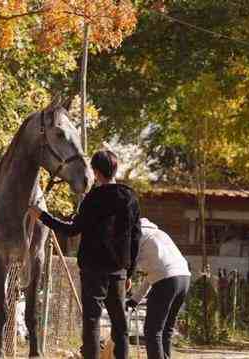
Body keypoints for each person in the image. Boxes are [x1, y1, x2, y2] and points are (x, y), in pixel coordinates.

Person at [28, 150, 141, 359]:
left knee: (92, 322)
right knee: (120, 325)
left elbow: (72, 230)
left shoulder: (92, 198)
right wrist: (130, 272)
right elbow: (136, 237)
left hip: (93, 269)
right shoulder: (130, 197)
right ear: (115, 169)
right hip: (118, 270)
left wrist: (42, 216)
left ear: (96, 173)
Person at [126, 218, 191, 359]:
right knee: (166, 329)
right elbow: (155, 272)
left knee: (152, 331)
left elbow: (129, 263)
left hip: (167, 281)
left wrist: (126, 278)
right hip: (184, 278)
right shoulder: (159, 233)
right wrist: (135, 299)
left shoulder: (136, 235)